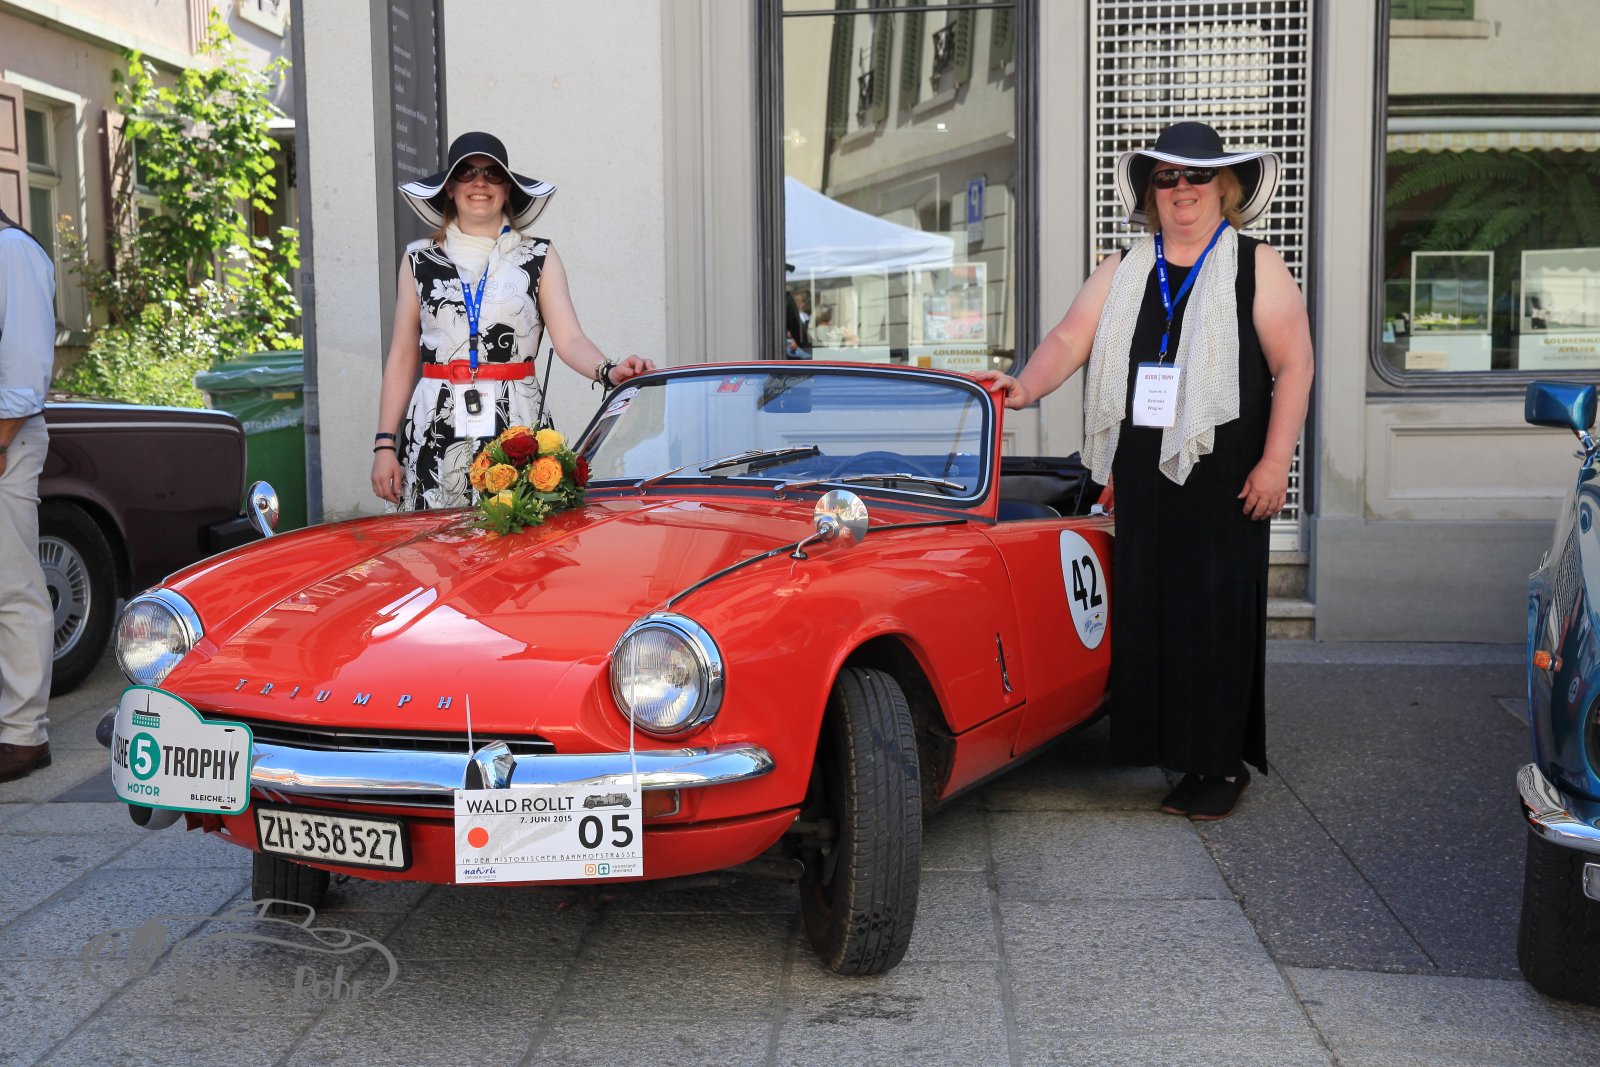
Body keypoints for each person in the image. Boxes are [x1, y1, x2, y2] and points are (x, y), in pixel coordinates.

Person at [981, 121, 1314, 820]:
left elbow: (1295, 366)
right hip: (1143, 475)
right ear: (1151, 192)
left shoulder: (1256, 263)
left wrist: (1275, 462)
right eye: (1167, 177)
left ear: (1225, 187)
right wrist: (1025, 386)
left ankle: (1219, 765)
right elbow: (1069, 338)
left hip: (1224, 476)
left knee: (1213, 615)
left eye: (1197, 175)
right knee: (1152, 612)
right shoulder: (1124, 267)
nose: (1182, 188)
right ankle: (1171, 749)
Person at [372, 131, 653, 509]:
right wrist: (384, 444)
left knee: (519, 534)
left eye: (492, 174)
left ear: (507, 190)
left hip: (516, 419)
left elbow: (570, 339)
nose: (480, 183)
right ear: (450, 189)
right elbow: (404, 354)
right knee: (437, 540)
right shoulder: (418, 259)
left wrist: (609, 370)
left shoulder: (539, 256)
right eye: (467, 173)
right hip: (435, 420)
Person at [0, 206, 57, 782]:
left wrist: (0, 441)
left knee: (12, 587)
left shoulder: (11, 249)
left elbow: (24, 365)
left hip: (4, 437)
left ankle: (23, 736)